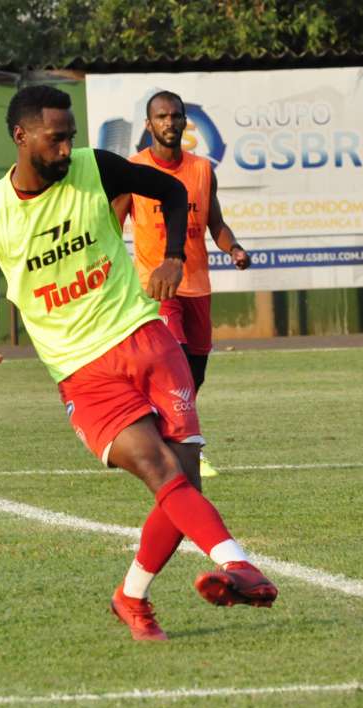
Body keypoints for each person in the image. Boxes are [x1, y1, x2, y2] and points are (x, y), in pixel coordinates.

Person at [0, 85, 277, 641]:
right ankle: (239, 564)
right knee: (161, 470)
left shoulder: (97, 168)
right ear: (20, 136)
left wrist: (174, 256)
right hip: (81, 370)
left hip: (144, 337)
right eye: (55, 139)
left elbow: (173, 193)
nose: (66, 150)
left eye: (70, 137)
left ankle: (131, 597)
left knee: (185, 479)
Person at [113, 90, 249, 480]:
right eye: (161, 116)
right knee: (177, 367)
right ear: (148, 124)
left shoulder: (202, 170)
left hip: (197, 286)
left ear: (185, 121)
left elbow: (215, 223)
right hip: (157, 287)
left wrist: (233, 247)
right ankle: (188, 448)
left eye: (175, 116)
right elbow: (112, 224)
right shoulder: (133, 170)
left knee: (195, 374)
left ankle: (163, 433)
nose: (169, 122)